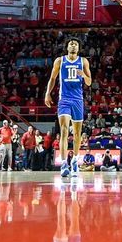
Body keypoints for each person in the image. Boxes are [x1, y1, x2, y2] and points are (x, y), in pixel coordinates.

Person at [44, 39, 92, 178]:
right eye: (70, 43)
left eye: (75, 44)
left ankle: (75, 161)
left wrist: (83, 75)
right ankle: (64, 163)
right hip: (64, 99)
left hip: (78, 100)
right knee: (64, 130)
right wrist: (48, 93)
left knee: (77, 134)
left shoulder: (83, 62)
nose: (72, 45)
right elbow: (52, 78)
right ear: (67, 47)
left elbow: (89, 82)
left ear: (78, 48)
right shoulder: (60, 61)